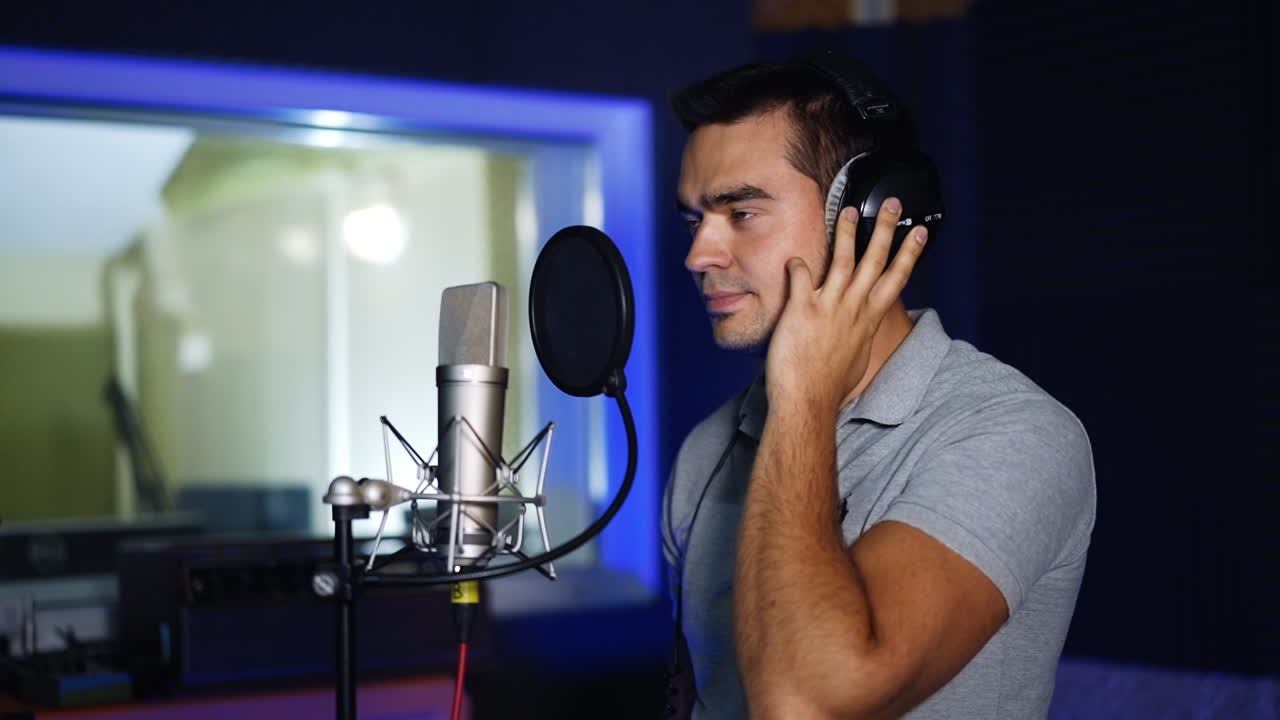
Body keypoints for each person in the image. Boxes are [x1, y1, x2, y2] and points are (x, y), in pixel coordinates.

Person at [660, 53, 1095, 719]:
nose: (699, 255)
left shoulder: (1016, 435)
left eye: (741, 212)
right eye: (696, 220)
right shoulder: (707, 452)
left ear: (866, 216)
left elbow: (807, 703)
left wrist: (803, 397)